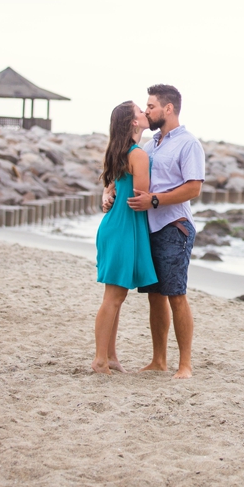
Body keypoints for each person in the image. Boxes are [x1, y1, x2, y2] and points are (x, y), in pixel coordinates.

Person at [130, 83, 204, 378]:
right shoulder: (151, 145)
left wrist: (156, 200)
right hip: (150, 227)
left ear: (168, 108)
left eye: (150, 106)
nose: (147, 111)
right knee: (155, 295)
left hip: (175, 227)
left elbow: (194, 187)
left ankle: (184, 364)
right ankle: (159, 360)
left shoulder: (188, 143)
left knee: (176, 294)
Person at [90, 101, 159, 372]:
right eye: (140, 112)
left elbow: (113, 185)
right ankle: (99, 360)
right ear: (133, 122)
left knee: (116, 297)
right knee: (113, 298)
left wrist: (108, 194)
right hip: (123, 227)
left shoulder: (120, 151)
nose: (144, 113)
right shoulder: (137, 154)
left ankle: (111, 356)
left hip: (115, 226)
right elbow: (140, 195)